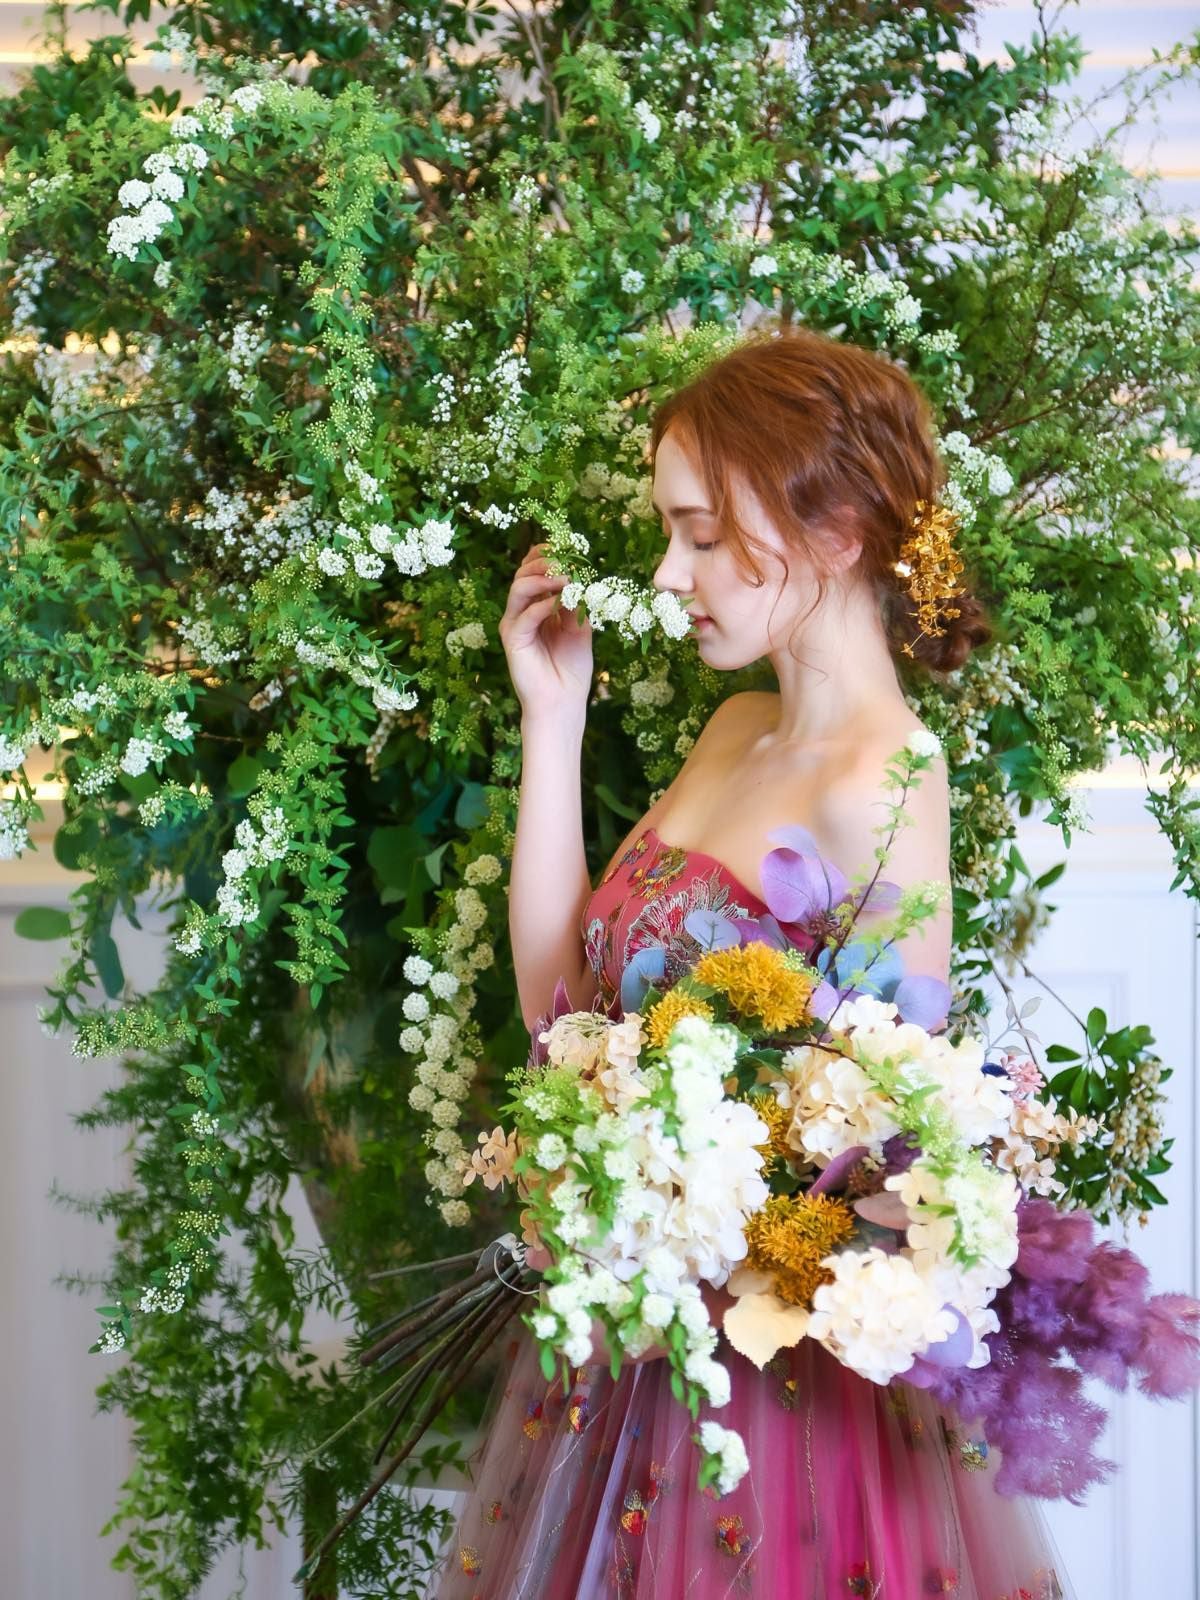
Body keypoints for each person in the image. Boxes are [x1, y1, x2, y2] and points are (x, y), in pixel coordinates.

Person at [432, 324, 1073, 1599]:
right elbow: (562, 1008)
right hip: (632, 1340)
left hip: (768, 1388)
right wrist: (553, 720)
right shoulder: (735, 729)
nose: (670, 573)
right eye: (671, 534)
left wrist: (668, 1187)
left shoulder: (886, 778)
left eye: (704, 536)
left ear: (835, 532)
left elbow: (877, 1146)